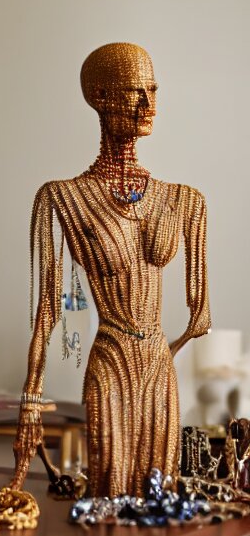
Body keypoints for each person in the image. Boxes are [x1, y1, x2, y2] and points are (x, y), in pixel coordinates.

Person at [11, 43, 211, 497]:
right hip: (110, 359)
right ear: (100, 97)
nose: (149, 104)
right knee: (110, 488)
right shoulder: (61, 198)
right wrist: (31, 403)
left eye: (153, 90)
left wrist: (168, 349)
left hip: (159, 367)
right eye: (134, 92)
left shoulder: (185, 201)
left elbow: (201, 318)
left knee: (158, 496)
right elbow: (48, 308)